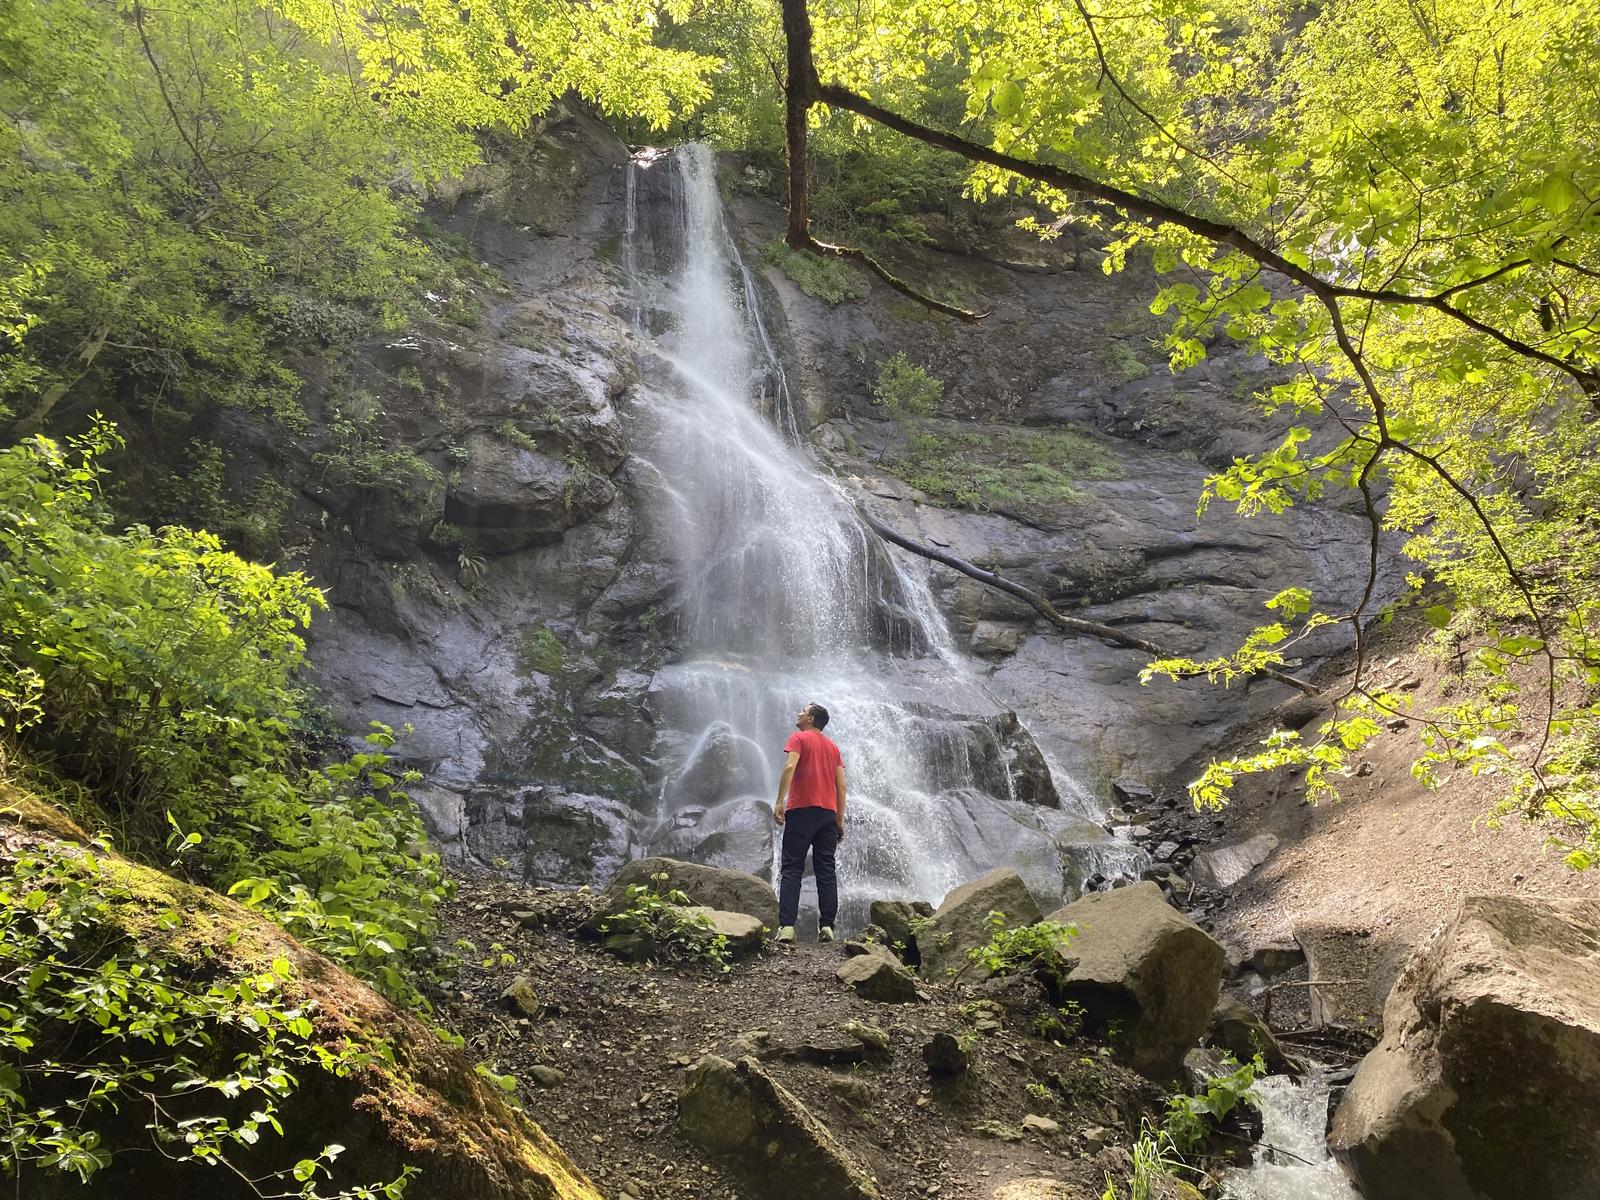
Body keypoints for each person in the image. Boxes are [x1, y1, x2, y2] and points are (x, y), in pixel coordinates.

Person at [772, 701, 846, 943]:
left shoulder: (798, 738)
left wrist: (779, 801)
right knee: (826, 870)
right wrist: (840, 819)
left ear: (811, 719)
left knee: (792, 868)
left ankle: (786, 927)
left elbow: (790, 765)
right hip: (827, 814)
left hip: (802, 809)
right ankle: (827, 927)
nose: (799, 713)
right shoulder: (833, 747)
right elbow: (841, 785)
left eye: (803, 711)